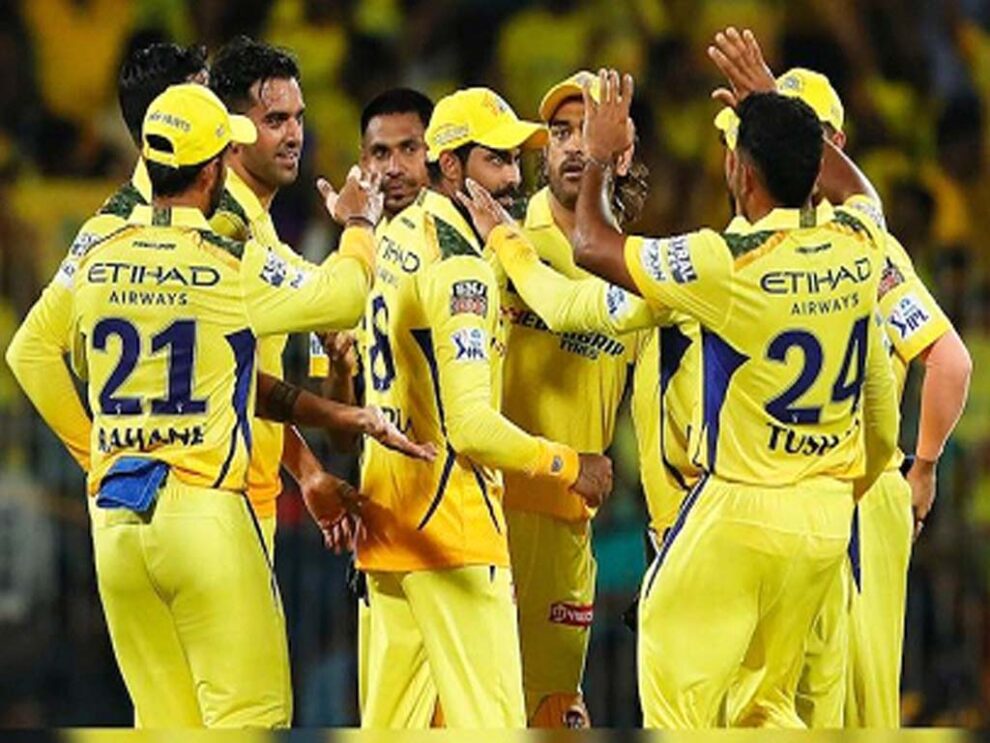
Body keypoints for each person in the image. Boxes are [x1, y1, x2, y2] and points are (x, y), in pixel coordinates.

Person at [24, 83, 380, 726]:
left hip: (117, 523)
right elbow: (344, 295)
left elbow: (29, 355)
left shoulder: (96, 255)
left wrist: (98, 462)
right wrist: (358, 226)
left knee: (164, 726)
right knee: (251, 718)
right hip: (206, 513)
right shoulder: (229, 261)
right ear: (213, 170)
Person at [713, 51, 973, 728]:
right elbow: (947, 361)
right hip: (845, 491)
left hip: (808, 493)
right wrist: (922, 469)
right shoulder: (853, 246)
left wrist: (918, 468)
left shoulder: (780, 250)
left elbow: (950, 360)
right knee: (836, 701)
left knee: (806, 700)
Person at [354, 86, 613, 729]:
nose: (512, 178)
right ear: (450, 166)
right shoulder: (462, 267)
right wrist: (567, 464)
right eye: (496, 161)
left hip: (385, 530)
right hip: (456, 530)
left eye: (515, 160)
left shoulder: (388, 238)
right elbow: (470, 427)